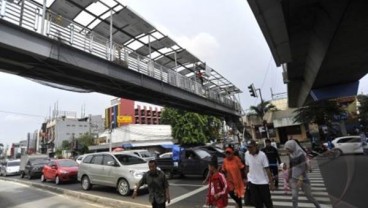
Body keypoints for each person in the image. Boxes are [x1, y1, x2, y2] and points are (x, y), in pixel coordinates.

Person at [284, 140, 321, 208]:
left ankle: (318, 206)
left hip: (303, 178)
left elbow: (304, 167)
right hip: (294, 178)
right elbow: (291, 166)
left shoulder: (301, 154)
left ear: (292, 147)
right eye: (286, 149)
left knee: (309, 196)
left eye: (288, 148)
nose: (287, 150)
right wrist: (288, 178)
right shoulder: (290, 155)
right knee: (294, 197)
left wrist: (301, 179)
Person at [245, 140, 274, 208]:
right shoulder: (247, 153)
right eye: (248, 147)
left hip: (263, 182)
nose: (249, 149)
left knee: (267, 201)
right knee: (256, 202)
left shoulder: (262, 155)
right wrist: (247, 178)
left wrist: (271, 183)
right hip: (252, 182)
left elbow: (267, 169)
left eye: (251, 147)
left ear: (255, 147)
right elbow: (247, 166)